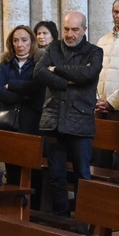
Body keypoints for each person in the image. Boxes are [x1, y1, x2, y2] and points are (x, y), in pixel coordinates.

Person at [34, 11, 103, 217]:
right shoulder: (54, 47)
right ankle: (60, 216)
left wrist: (56, 69)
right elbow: (39, 72)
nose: (70, 34)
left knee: (82, 174)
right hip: (53, 119)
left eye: (75, 30)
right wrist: (67, 81)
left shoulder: (94, 51)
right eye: (66, 29)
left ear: (84, 30)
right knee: (56, 174)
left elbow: (88, 75)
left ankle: (83, 219)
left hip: (79, 120)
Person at [0, 25, 45, 206]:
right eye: (15, 41)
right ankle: (13, 206)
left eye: (24, 40)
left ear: (31, 42)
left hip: (32, 122)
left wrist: (12, 86)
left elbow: (37, 90)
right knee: (12, 166)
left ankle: (34, 207)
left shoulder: (38, 63)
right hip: (10, 121)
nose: (19, 45)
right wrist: (23, 97)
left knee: (32, 167)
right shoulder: (6, 63)